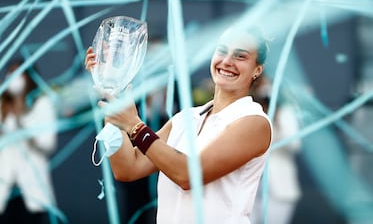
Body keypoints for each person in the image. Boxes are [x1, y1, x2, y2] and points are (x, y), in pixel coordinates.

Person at [85, 26, 273, 224]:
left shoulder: (254, 121)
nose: (227, 61)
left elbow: (188, 175)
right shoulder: (186, 118)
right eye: (222, 51)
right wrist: (113, 91)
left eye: (240, 56)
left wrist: (135, 125)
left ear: (257, 70)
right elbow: (128, 168)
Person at [0, 60, 58, 224]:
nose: (14, 79)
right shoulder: (2, 106)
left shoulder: (42, 104)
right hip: (5, 186)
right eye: (10, 74)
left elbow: (47, 144)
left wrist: (20, 120)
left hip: (31, 187)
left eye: (19, 74)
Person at [251, 80, 302, 224]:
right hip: (251, 189)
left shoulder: (285, 113)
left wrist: (276, 125)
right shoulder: (251, 115)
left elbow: (294, 144)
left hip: (278, 187)